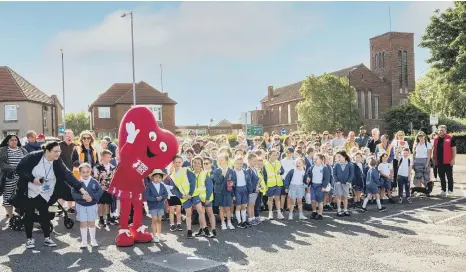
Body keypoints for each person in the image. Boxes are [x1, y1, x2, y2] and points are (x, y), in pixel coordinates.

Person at [15, 141, 91, 249]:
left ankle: (47, 238)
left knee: (45, 215)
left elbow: (67, 174)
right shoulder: (33, 157)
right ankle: (29, 240)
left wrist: (81, 189)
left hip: (46, 192)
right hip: (30, 190)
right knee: (29, 215)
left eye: (59, 151)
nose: (58, 153)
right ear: (47, 151)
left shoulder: (57, 161)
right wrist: (32, 179)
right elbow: (19, 169)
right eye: (55, 151)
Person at [72, 163, 103, 248]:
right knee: (83, 223)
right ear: (80, 173)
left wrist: (92, 198)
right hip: (81, 206)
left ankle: (93, 240)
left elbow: (100, 191)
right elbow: (73, 194)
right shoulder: (77, 183)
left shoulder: (94, 182)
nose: (86, 174)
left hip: (92, 205)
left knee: (92, 222)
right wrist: (82, 197)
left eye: (88, 172)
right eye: (83, 172)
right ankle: (84, 241)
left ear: (91, 172)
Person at [0, 135, 28, 219]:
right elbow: (2, 163)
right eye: (11, 140)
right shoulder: (3, 150)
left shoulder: (22, 150)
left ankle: (20, 214)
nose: (14, 141)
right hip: (8, 178)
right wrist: (13, 169)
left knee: (21, 196)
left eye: (15, 140)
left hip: (21, 178)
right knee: (8, 196)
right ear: (7, 142)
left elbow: (28, 161)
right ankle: (11, 215)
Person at [93, 150, 117, 227]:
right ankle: (101, 220)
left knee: (108, 203)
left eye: (110, 157)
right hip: (101, 189)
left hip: (110, 189)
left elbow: (114, 178)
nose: (109, 159)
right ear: (103, 157)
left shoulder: (113, 167)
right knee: (101, 204)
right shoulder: (97, 167)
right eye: (107, 157)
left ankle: (108, 218)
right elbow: (95, 179)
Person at [212, 153, 235, 230]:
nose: (220, 161)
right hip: (219, 192)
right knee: (221, 208)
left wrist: (232, 183)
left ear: (226, 160)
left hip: (228, 192)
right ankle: (223, 223)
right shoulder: (217, 170)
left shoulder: (231, 170)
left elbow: (234, 180)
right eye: (219, 159)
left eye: (222, 159)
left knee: (228, 208)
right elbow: (217, 181)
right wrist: (222, 174)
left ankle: (229, 222)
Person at [145, 169, 168, 243]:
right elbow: (146, 196)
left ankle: (159, 235)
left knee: (159, 220)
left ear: (161, 179)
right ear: (152, 178)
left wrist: (161, 197)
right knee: (154, 220)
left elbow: (166, 194)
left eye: (159, 177)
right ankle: (154, 235)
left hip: (160, 205)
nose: (157, 179)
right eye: (156, 177)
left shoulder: (162, 185)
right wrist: (155, 198)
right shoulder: (149, 186)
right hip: (153, 205)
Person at [433, 125, 456, 197]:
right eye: (439, 130)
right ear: (438, 131)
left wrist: (453, 159)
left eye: (442, 130)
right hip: (439, 162)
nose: (441, 131)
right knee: (441, 177)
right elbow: (434, 150)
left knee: (449, 177)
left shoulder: (450, 138)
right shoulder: (436, 139)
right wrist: (434, 159)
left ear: (445, 131)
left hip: (448, 162)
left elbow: (454, 149)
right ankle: (443, 190)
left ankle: (450, 191)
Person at [307, 154, 330, 220]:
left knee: (320, 201)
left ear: (321, 160)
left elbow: (327, 178)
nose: (315, 160)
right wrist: (308, 177)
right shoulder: (312, 167)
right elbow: (308, 173)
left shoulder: (324, 168)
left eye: (316, 159)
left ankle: (320, 214)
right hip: (313, 185)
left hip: (320, 186)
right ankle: (314, 212)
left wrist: (324, 186)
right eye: (314, 159)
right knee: (313, 200)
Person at [264, 149, 285, 220]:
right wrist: (265, 185)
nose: (275, 156)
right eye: (274, 155)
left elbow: (283, 171)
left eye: (276, 155)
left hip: (278, 184)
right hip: (270, 184)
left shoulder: (278, 162)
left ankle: (279, 213)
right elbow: (264, 175)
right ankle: (270, 213)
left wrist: (281, 171)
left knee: (277, 199)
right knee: (270, 199)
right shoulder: (265, 164)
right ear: (269, 155)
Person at [232, 156, 252, 228]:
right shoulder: (232, 172)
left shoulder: (245, 171)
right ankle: (239, 222)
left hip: (244, 190)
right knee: (238, 206)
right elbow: (231, 185)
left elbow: (249, 182)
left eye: (241, 163)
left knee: (244, 206)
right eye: (237, 163)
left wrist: (250, 192)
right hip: (237, 190)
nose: (239, 165)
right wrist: (233, 194)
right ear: (234, 163)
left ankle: (244, 221)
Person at [333, 150, 354, 217]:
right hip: (338, 183)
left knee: (345, 197)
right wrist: (337, 181)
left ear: (344, 157)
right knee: (339, 196)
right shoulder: (336, 165)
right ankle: (339, 210)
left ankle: (345, 210)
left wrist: (348, 181)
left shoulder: (349, 165)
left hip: (346, 183)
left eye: (340, 157)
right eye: (338, 157)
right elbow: (334, 174)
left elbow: (351, 174)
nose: (339, 158)